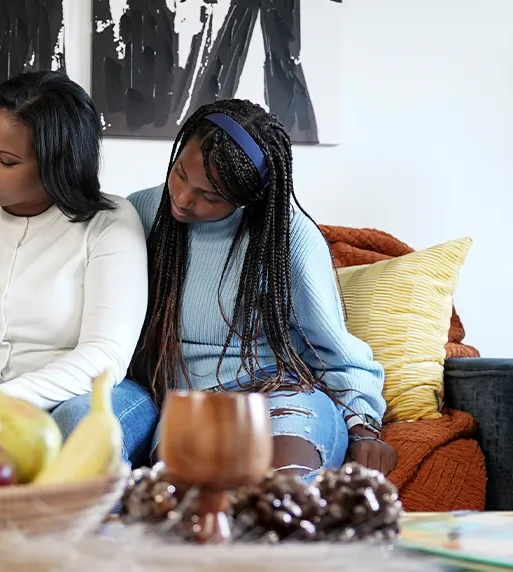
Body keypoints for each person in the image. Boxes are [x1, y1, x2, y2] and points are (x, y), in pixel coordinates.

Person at [125, 99, 397, 480]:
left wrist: (363, 426)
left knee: (278, 498)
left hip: (279, 393)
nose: (184, 198)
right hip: (189, 404)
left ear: (247, 197)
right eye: (180, 173)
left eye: (211, 196)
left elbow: (332, 348)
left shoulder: (288, 236)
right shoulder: (140, 212)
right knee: (190, 510)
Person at [0, 70, 157, 467]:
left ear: (58, 166)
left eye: (7, 160)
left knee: (79, 425)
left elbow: (104, 354)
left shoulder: (110, 222)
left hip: (78, 396)